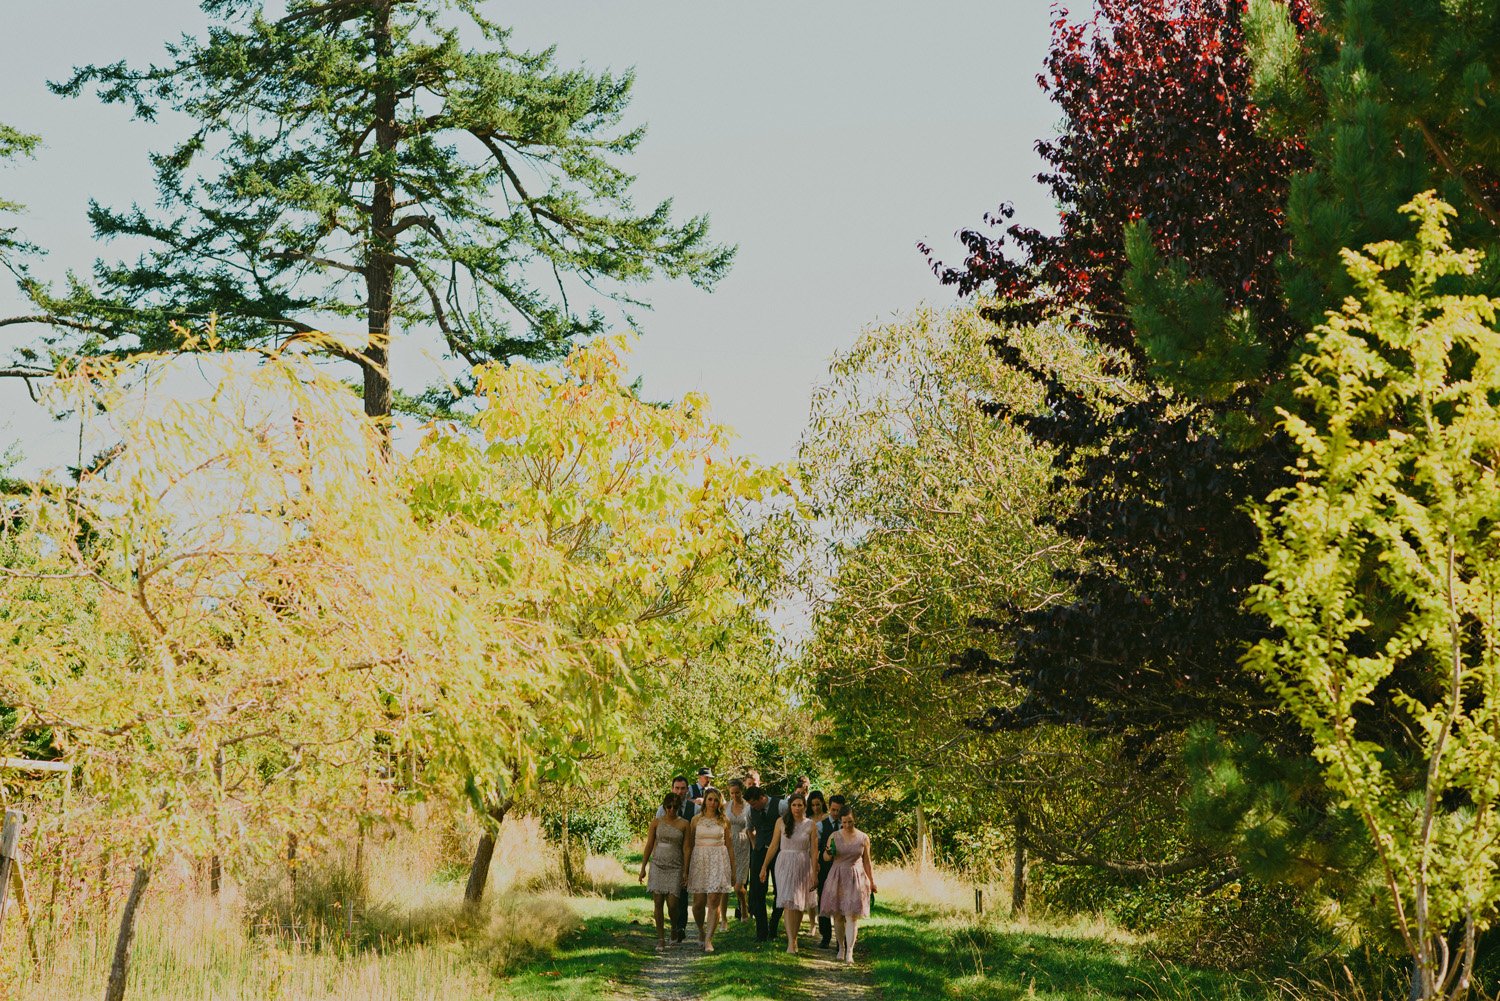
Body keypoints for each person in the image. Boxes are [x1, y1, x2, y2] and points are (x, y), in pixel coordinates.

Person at [759, 792, 816, 955]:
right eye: (794, 805)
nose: (797, 808)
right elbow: (773, 846)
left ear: (804, 807)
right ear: (789, 807)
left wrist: (814, 873)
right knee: (788, 902)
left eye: (800, 805)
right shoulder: (781, 822)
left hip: (803, 863)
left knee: (799, 904)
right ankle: (791, 941)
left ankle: (795, 937)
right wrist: (764, 867)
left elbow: (814, 851)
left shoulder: (810, 825)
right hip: (784, 862)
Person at [820, 806, 876, 964]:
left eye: (850, 822)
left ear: (854, 820)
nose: (847, 825)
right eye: (844, 822)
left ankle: (850, 952)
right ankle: (841, 948)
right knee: (838, 916)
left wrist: (872, 881)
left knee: (852, 916)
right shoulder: (834, 836)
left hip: (856, 877)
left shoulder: (863, 838)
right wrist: (827, 852)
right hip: (837, 875)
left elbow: (867, 861)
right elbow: (825, 858)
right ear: (841, 821)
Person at [684, 787, 735, 952]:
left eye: (716, 800)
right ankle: (700, 930)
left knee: (714, 900)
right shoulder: (695, 820)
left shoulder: (724, 821)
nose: (713, 803)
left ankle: (708, 940)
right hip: (699, 860)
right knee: (698, 904)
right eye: (710, 799)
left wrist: (733, 871)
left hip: (719, 860)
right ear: (704, 800)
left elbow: (730, 846)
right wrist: (686, 869)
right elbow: (689, 845)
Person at [638, 791, 690, 951]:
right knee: (658, 901)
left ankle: (674, 926)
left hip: (675, 865)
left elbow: (687, 848)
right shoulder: (656, 822)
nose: (672, 809)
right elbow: (648, 845)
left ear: (679, 807)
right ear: (664, 806)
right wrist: (643, 868)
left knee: (673, 904)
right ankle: (661, 938)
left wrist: (685, 871)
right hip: (658, 864)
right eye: (669, 806)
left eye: (675, 806)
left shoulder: (684, 824)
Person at [654, 777, 696, 939]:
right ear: (672, 788)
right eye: (677, 788)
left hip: (686, 855)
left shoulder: (695, 809)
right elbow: (656, 835)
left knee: (682, 892)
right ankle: (671, 928)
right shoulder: (662, 809)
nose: (680, 792)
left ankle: (680, 927)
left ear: (687, 790)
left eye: (683, 788)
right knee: (663, 896)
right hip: (665, 856)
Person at [744, 784, 784, 941]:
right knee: (756, 891)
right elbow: (749, 828)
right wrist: (755, 847)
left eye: (753, 803)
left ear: (761, 798)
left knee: (780, 891)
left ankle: (773, 927)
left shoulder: (781, 806)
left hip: (779, 852)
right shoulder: (749, 810)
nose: (752, 807)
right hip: (759, 851)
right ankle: (761, 932)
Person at [813, 792, 842, 947]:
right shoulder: (820, 826)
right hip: (825, 868)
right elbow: (815, 848)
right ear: (829, 808)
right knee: (823, 901)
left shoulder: (846, 825)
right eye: (833, 810)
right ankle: (825, 936)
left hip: (842, 869)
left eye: (839, 810)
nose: (836, 813)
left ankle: (840, 939)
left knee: (840, 902)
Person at [800, 791, 830, 940]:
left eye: (818, 804)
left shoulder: (828, 818)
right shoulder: (807, 819)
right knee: (811, 892)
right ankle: (813, 923)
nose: (816, 807)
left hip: (826, 858)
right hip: (809, 856)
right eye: (813, 805)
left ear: (823, 804)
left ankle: (825, 925)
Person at [726, 778, 752, 924]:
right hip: (729, 844)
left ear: (742, 791)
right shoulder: (725, 806)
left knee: (738, 885)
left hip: (743, 844)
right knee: (727, 883)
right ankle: (722, 917)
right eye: (732, 793)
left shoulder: (748, 806)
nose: (735, 796)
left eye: (737, 793)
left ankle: (743, 905)